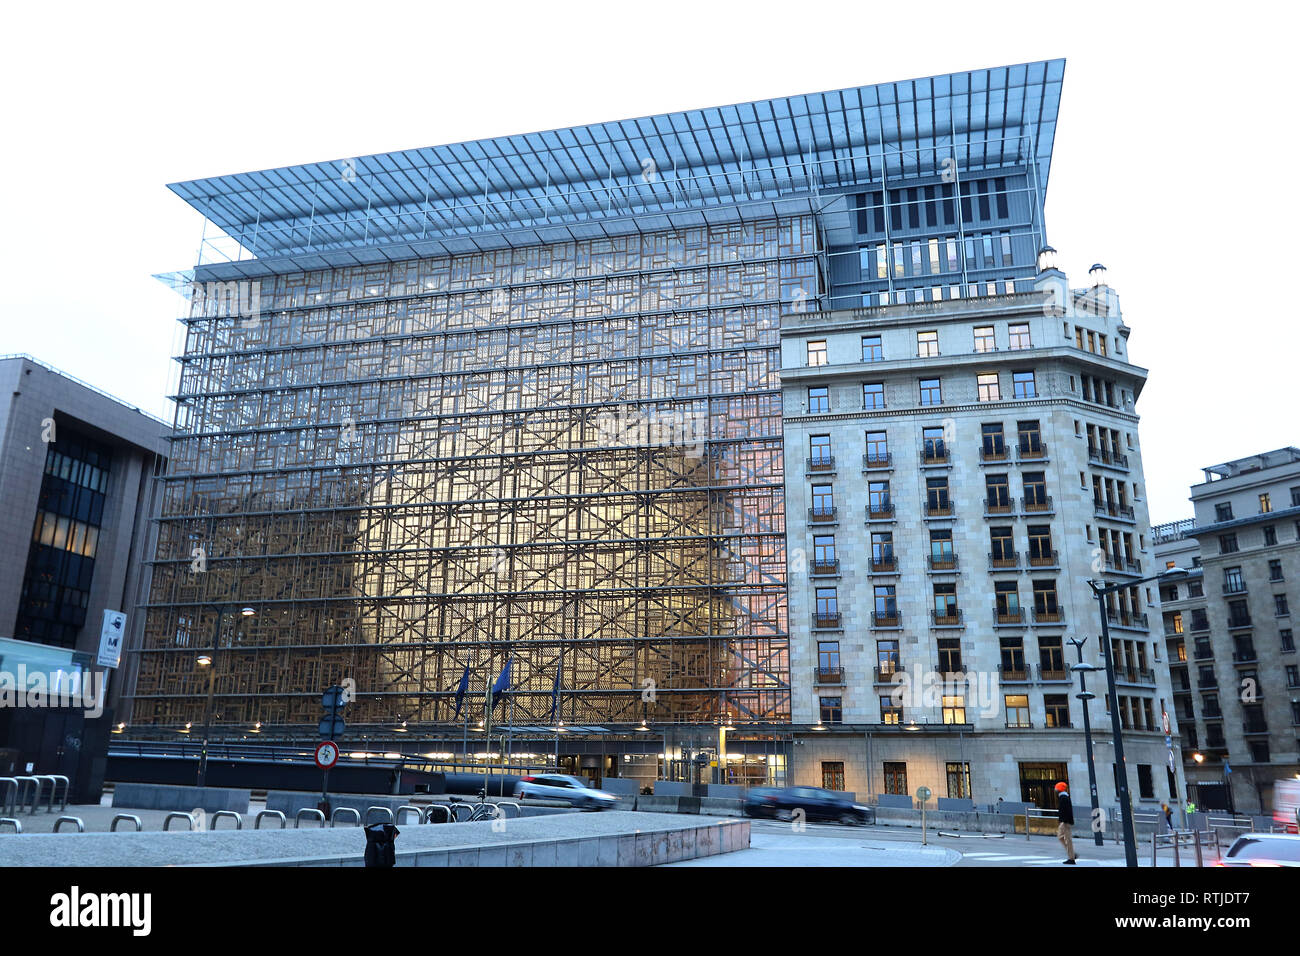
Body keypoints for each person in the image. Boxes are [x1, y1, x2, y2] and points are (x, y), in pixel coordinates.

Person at [1055, 781, 1076, 864]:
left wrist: (1064, 820)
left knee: (1067, 839)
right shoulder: (1063, 796)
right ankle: (1072, 855)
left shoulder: (1064, 797)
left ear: (1059, 789)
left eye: (1056, 788)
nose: (1055, 789)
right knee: (1061, 837)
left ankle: (1072, 858)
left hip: (1065, 821)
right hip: (1064, 821)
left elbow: (1065, 811)